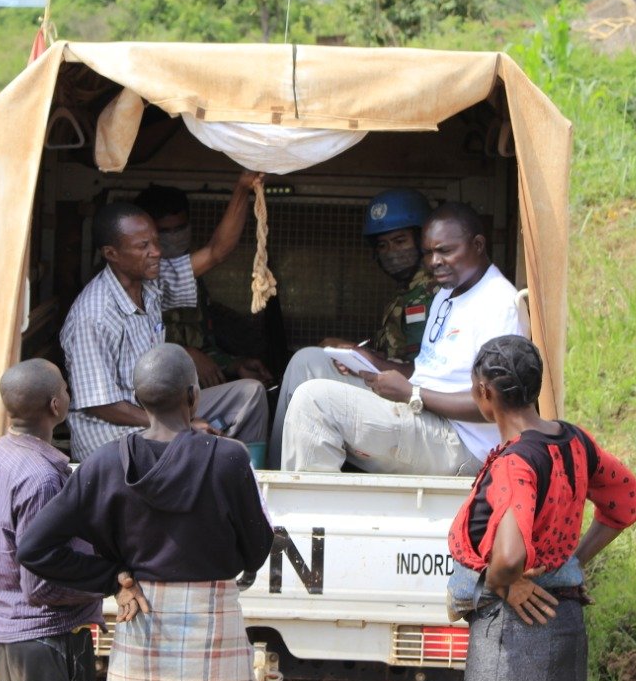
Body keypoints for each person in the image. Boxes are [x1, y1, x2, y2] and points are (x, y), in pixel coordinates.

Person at [17, 344, 274, 681]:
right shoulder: (229, 459)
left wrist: (109, 577)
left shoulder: (103, 464)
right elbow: (256, 550)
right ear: (194, 396)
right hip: (215, 621)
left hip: (141, 614)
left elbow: (34, 548)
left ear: (139, 400)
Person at [445, 335, 636, 681]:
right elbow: (626, 501)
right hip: (562, 618)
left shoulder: (515, 463)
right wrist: (573, 562)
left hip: (515, 632)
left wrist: (505, 582)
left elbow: (512, 553)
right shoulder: (574, 441)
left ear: (485, 394)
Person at [279, 201, 521, 475]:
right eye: (428, 252)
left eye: (445, 251)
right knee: (308, 361)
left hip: (461, 443)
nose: (434, 262)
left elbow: (500, 403)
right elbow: (429, 372)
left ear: (478, 245)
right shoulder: (447, 292)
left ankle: (304, 510)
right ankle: (270, 489)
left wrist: (412, 394)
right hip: (424, 413)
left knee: (315, 402)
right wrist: (373, 362)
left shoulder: (499, 303)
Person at [60, 179, 268, 462]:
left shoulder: (150, 284)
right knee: (197, 440)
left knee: (250, 394)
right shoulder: (93, 316)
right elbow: (104, 406)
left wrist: (243, 188)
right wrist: (177, 424)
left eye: (156, 241)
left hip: (159, 410)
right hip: (114, 439)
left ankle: (246, 480)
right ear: (112, 254)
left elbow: (216, 252)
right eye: (144, 245)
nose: (156, 251)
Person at [0, 359, 103, 681]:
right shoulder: (42, 480)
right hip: (51, 639)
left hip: (13, 633)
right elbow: (42, 584)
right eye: (64, 388)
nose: (68, 394)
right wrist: (109, 582)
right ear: (55, 406)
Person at [267, 189, 434, 468]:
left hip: (415, 407)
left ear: (422, 239)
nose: (391, 252)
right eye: (382, 245)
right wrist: (354, 357)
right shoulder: (405, 293)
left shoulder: (429, 292)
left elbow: (420, 373)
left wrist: (364, 358)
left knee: (305, 362)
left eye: (400, 241)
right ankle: (282, 470)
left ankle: (277, 475)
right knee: (309, 360)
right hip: (390, 392)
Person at [135, 182, 274, 389]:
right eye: (164, 231)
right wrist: (185, 355)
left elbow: (202, 342)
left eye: (180, 229)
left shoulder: (188, 277)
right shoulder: (133, 279)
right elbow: (217, 252)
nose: (173, 237)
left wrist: (234, 365)